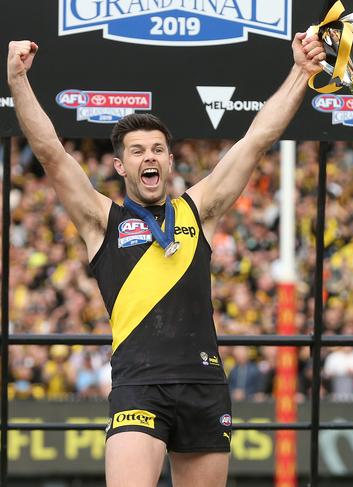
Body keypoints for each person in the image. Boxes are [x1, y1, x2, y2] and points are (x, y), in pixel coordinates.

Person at [7, 34, 324, 487]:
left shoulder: (198, 210)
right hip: (139, 384)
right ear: (120, 166)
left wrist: (301, 72)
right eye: (136, 151)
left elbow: (257, 140)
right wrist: (17, 79)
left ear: (170, 161)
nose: (148, 157)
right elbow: (52, 155)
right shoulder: (102, 221)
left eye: (156, 149)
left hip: (204, 384)